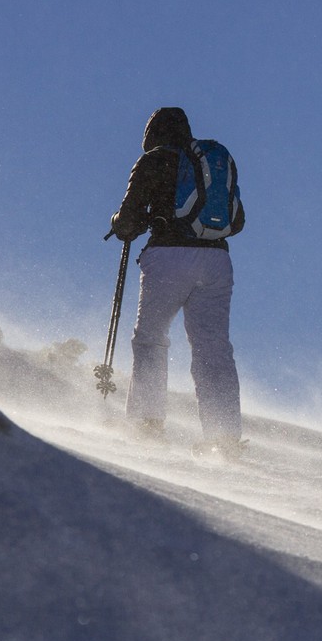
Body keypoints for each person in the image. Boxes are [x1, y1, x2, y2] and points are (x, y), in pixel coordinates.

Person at [110, 107, 246, 457]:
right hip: (218, 261)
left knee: (152, 339)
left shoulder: (153, 161)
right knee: (213, 349)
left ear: (152, 134)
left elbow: (128, 221)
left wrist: (123, 222)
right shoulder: (209, 162)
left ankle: (147, 423)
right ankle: (225, 437)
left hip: (170, 257)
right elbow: (239, 221)